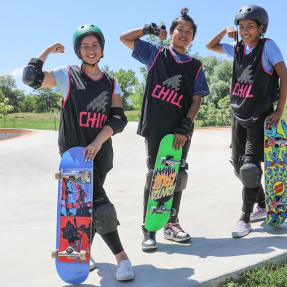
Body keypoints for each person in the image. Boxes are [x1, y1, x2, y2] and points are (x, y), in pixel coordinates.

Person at [22, 24, 134, 281]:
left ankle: (83, 251)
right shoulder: (66, 75)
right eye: (85, 46)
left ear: (102, 49)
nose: (90, 50)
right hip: (75, 158)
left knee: (88, 208)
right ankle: (122, 259)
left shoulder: (111, 82)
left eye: (95, 45)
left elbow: (118, 119)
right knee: (100, 207)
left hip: (101, 154)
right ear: (78, 50)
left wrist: (97, 142)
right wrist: (48, 50)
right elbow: (31, 78)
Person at [120, 8, 209, 251]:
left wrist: (185, 125)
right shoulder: (156, 54)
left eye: (189, 32)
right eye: (180, 29)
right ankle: (149, 229)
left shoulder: (196, 66)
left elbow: (197, 99)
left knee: (177, 177)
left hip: (180, 130)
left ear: (193, 38)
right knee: (155, 176)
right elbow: (125, 38)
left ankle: (172, 224)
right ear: (171, 33)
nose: (184, 34)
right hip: (156, 127)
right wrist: (148, 31)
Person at [206, 5, 287, 238]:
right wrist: (225, 31)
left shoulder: (267, 46)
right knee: (238, 168)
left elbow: (284, 74)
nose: (245, 30)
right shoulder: (238, 48)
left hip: (260, 117)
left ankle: (244, 217)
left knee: (250, 168)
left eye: (250, 26)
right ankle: (261, 203)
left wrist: (280, 110)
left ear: (261, 28)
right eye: (241, 27)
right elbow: (210, 46)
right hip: (238, 116)